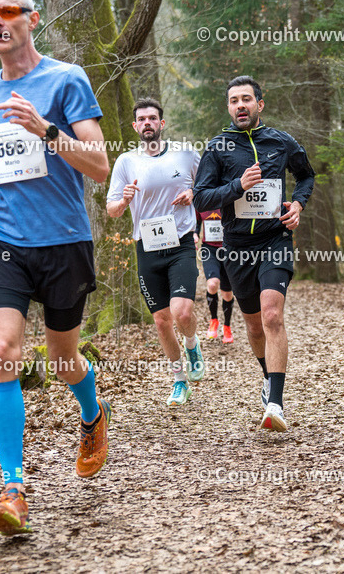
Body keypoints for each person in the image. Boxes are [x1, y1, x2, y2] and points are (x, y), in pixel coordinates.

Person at [0, 0, 110, 535]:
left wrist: (46, 130)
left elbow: (99, 166)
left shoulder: (66, 79)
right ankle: (13, 490)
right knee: (2, 351)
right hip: (2, 237)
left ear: (32, 19)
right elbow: (2, 158)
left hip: (63, 240)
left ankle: (92, 416)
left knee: (64, 361)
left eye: (7, 12)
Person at [193, 76, 315, 432]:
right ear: (229, 108)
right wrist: (237, 186)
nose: (240, 105)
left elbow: (306, 176)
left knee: (272, 315)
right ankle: (267, 378)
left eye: (246, 99)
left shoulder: (281, 142)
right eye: (233, 100)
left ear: (260, 104)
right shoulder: (218, 148)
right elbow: (201, 198)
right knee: (252, 325)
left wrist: (299, 206)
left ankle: (275, 403)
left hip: (274, 240)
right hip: (237, 248)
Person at [106, 98, 204, 406]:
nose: (147, 123)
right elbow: (111, 210)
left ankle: (192, 343)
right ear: (135, 127)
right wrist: (123, 201)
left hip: (181, 243)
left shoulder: (186, 154)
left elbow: (209, 186)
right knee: (161, 320)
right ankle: (179, 380)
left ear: (161, 124)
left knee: (182, 312)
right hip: (146, 247)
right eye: (142, 119)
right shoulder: (125, 162)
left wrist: (193, 193)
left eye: (153, 118)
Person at [196, 209, 234, 343]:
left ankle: (227, 327)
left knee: (227, 293)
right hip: (209, 249)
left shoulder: (229, 196)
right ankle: (214, 320)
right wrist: (195, 234)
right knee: (212, 284)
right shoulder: (204, 198)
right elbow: (196, 220)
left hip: (228, 249)